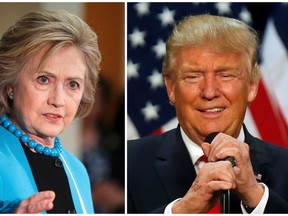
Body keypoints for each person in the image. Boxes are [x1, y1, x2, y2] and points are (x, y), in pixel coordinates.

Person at [128, 14, 288, 213]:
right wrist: (182, 211)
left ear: (252, 87)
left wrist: (256, 197)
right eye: (193, 76)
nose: (209, 92)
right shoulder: (129, 164)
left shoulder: (285, 167)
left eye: (225, 75)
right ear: (170, 88)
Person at [0, 10, 101, 213]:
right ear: (11, 85)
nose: (58, 100)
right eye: (44, 79)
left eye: (72, 84)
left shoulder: (78, 171)